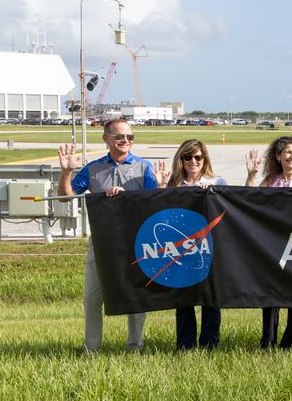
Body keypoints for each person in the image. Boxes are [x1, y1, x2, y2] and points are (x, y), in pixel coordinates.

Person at [57, 117, 159, 353]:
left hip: (136, 242)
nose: (126, 141)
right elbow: (66, 196)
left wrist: (126, 196)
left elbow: (153, 203)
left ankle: (135, 346)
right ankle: (91, 348)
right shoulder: (93, 168)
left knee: (135, 296)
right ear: (107, 139)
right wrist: (66, 173)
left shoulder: (144, 168)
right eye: (120, 137)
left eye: (130, 137)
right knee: (92, 298)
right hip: (102, 244)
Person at [246, 136, 292, 349]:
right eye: (288, 152)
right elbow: (248, 200)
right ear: (278, 156)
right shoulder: (270, 181)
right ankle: (267, 340)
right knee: (271, 292)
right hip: (274, 243)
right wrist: (251, 175)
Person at [162, 139, 227, 350]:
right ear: (180, 160)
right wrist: (163, 188)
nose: (193, 161)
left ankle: (209, 344)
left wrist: (213, 192)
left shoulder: (217, 181)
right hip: (181, 251)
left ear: (204, 159)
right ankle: (185, 345)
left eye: (198, 157)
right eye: (187, 157)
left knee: (211, 299)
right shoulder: (173, 184)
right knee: (184, 301)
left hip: (210, 249)